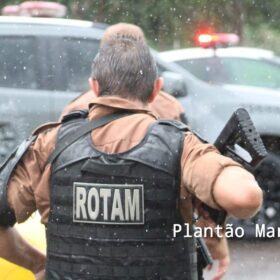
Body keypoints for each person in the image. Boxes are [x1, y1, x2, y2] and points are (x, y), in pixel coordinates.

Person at [0, 36, 262, 280]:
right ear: (156, 90)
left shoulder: (50, 144)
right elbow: (245, 198)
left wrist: (37, 263)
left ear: (94, 87)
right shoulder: (181, 146)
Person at [60, 23, 229, 280]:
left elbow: (53, 187)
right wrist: (217, 246)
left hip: (87, 257)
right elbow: (193, 186)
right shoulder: (168, 106)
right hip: (159, 251)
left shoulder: (75, 108)